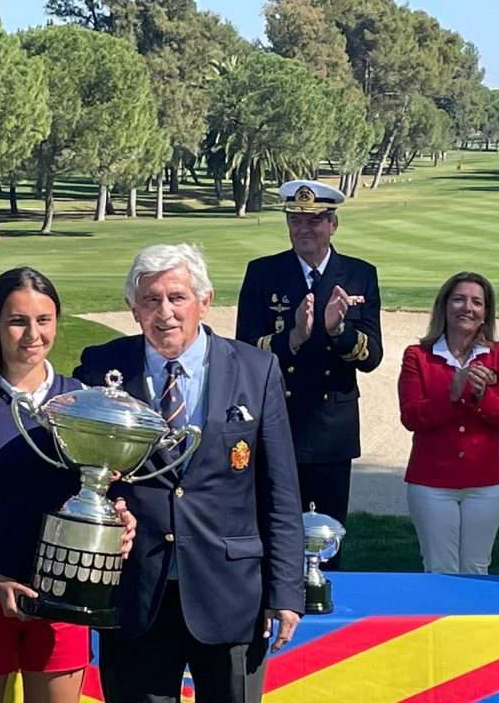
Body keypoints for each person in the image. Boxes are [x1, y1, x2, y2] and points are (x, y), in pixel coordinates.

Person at [75, 243, 304, 703]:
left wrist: (286, 590)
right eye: (150, 300)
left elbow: (279, 490)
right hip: (136, 592)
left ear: (205, 300)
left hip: (232, 595)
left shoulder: (257, 369)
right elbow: (74, 464)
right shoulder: (103, 367)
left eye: (177, 298)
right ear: (132, 308)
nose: (165, 313)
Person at [0, 266, 135, 703]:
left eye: (43, 320)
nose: (32, 334)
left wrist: (118, 520)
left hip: (63, 600)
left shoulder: (86, 403)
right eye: (17, 321)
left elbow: (100, 492)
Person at [236, 179, 382, 569]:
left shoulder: (359, 275)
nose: (304, 229)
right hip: (277, 422)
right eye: (296, 220)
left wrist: (339, 331)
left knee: (328, 536)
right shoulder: (263, 273)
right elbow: (245, 353)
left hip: (332, 425)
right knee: (273, 531)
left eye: (314, 221)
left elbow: (372, 358)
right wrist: (294, 338)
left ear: (333, 225)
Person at [397, 272, 499, 575]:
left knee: (478, 568)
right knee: (439, 567)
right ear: (444, 306)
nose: (468, 308)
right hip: (431, 480)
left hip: (486, 481)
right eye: (459, 299)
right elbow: (411, 416)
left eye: (477, 302)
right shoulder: (419, 356)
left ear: (486, 313)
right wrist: (452, 395)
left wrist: (479, 397)